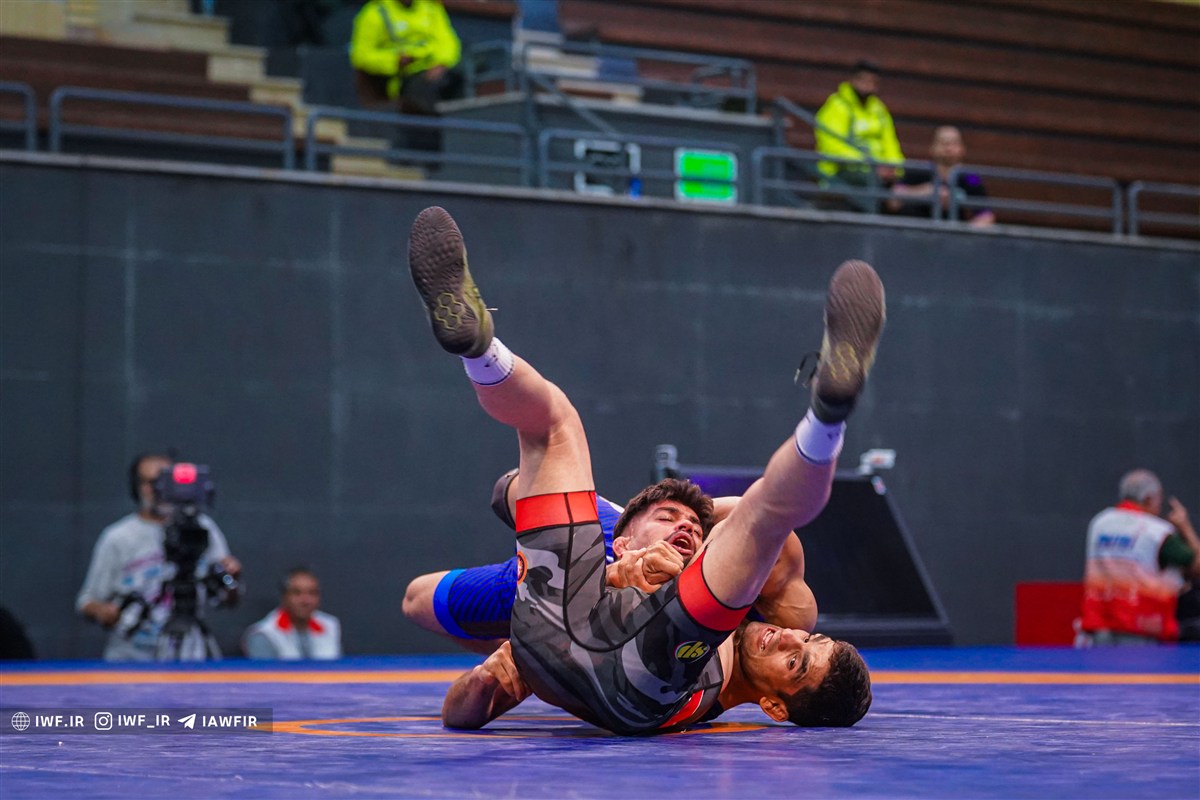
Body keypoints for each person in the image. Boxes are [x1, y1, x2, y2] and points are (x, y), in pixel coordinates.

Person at [405, 206, 880, 734]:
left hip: (634, 672)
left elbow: (463, 709)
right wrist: (638, 562)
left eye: (795, 662)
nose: (789, 638)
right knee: (548, 434)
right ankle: (479, 348)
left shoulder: (721, 644)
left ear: (774, 706)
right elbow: (754, 520)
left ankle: (828, 416)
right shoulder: (771, 599)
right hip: (572, 619)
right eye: (808, 641)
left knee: (759, 523)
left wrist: (507, 658)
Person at [402, 469, 817, 655]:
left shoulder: (722, 586)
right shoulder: (575, 554)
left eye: (693, 526)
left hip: (601, 598)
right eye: (671, 519)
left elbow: (759, 519)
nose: (686, 528)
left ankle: (527, 647)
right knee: (419, 600)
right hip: (567, 568)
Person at [76, 453, 241, 661]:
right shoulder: (119, 537)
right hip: (132, 658)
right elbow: (86, 601)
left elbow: (228, 595)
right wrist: (104, 612)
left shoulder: (202, 529)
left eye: (164, 482)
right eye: (149, 482)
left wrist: (231, 578)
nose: (156, 490)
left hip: (190, 654)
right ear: (136, 487)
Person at [1078, 469, 1200, 646]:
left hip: (1099, 627)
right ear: (1149, 499)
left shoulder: (1099, 522)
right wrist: (1185, 526)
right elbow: (1197, 567)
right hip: (1141, 630)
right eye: (1159, 500)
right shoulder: (1156, 532)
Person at [349, 0, 463, 154]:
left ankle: (458, 143)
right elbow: (361, 55)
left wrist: (441, 64)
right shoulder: (375, 12)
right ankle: (432, 150)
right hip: (401, 78)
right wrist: (394, 60)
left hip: (436, 72)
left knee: (459, 84)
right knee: (424, 93)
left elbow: (449, 43)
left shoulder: (431, 9)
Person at [813, 59, 904, 211]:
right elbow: (833, 147)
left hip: (877, 173)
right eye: (863, 80)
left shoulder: (879, 110)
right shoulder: (837, 106)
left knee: (907, 187)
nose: (867, 85)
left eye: (872, 82)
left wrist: (894, 169)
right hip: (841, 172)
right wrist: (870, 165)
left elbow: (891, 144)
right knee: (876, 186)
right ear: (852, 80)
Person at [889, 126, 995, 227]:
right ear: (932, 148)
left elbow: (986, 216)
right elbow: (893, 202)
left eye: (953, 143)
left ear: (962, 149)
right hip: (917, 233)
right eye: (943, 143)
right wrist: (926, 192)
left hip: (952, 235)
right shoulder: (919, 172)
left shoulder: (971, 178)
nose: (948, 148)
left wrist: (964, 231)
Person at [243, 568, 343, 660]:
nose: (305, 601)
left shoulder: (330, 626)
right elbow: (265, 673)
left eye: (312, 593)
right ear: (284, 597)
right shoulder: (264, 635)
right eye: (297, 593)